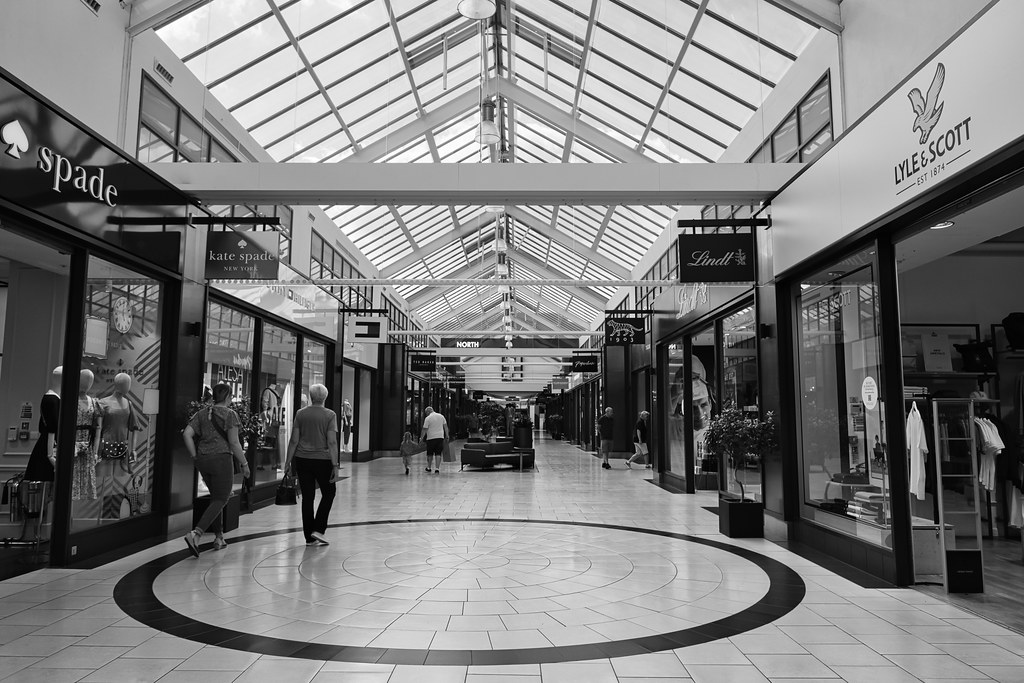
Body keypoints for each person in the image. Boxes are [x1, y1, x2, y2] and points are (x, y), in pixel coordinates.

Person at [182, 383, 249, 557]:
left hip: (203, 459)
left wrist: (194, 456)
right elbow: (234, 443)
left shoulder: (202, 413)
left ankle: (219, 537)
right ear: (228, 397)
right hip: (221, 459)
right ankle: (196, 534)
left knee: (215, 498)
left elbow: (187, 434)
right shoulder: (231, 415)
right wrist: (245, 463)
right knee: (222, 497)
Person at [284, 383, 339, 546]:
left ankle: (309, 536)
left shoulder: (301, 414)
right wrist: (335, 466)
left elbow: (294, 440)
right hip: (323, 460)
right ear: (325, 397)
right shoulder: (330, 415)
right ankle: (318, 529)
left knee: (308, 497)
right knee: (329, 493)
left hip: (302, 459)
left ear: (310, 396)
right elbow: (332, 442)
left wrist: (287, 461)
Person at [25, 366, 62, 482]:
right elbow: (52, 428)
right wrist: (50, 456)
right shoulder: (52, 400)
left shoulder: (53, 398)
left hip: (49, 444)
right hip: (49, 446)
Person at [420, 406, 448, 474]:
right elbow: (445, 427)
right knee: (438, 454)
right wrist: (447, 435)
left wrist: (421, 438)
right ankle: (437, 468)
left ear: (428, 412)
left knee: (430, 454)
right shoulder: (441, 416)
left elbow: (424, 429)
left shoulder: (428, 418)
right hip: (440, 437)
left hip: (431, 438)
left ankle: (429, 467)